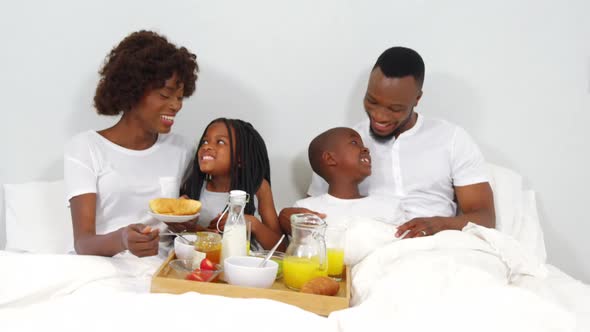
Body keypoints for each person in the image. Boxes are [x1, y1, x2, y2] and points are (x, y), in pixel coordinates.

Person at [280, 46, 495, 238]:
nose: (380, 116)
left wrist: (439, 224)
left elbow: (484, 217)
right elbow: (319, 209)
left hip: (435, 247)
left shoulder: (452, 139)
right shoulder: (345, 143)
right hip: (368, 248)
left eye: (395, 108)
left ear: (417, 99)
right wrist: (290, 217)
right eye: (372, 101)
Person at [64, 30, 199, 257]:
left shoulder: (182, 150)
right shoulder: (86, 148)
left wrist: (185, 224)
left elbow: (187, 226)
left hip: (158, 270)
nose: (176, 106)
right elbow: (83, 243)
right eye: (166, 95)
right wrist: (123, 239)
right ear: (133, 91)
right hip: (98, 266)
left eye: (180, 97)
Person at [181, 118, 285, 251]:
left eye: (220, 142)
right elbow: (193, 239)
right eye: (205, 141)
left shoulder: (258, 187)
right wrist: (187, 224)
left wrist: (253, 224)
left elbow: (281, 248)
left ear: (241, 158)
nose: (206, 146)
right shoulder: (194, 187)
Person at [285, 127, 405, 233]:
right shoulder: (307, 209)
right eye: (354, 143)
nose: (366, 149)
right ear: (330, 158)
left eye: (363, 144)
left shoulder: (389, 206)